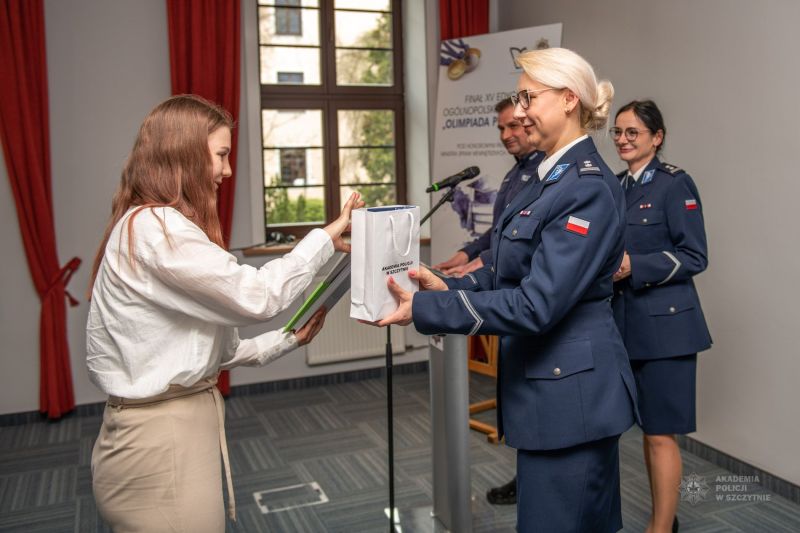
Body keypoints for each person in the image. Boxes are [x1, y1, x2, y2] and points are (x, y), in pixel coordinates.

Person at [374, 48, 638, 533]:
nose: (519, 111)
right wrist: (451, 283)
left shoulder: (585, 188)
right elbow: (507, 264)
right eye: (518, 99)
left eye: (527, 98)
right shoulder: (546, 177)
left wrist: (431, 306)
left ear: (568, 99)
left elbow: (537, 304)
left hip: (572, 397)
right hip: (548, 389)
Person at [86, 94, 362, 532]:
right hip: (161, 445)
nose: (228, 170)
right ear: (183, 155)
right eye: (221, 155)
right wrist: (325, 238)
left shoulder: (150, 225)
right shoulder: (158, 229)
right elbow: (257, 297)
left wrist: (287, 340)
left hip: (164, 435)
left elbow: (213, 353)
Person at [611, 100, 712, 533]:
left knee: (659, 433)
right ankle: (664, 519)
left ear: (657, 137)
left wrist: (636, 265)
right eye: (617, 132)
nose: (622, 140)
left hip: (667, 330)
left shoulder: (675, 184)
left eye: (632, 132)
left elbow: (695, 256)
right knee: (644, 432)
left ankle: (660, 527)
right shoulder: (616, 186)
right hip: (624, 324)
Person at [434, 97, 543, 277]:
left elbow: (529, 238)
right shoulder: (514, 172)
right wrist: (466, 254)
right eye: (501, 129)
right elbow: (499, 228)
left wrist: (484, 260)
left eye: (513, 126)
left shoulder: (545, 171)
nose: (505, 136)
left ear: (530, 124)